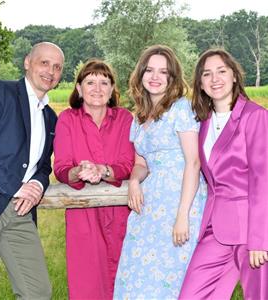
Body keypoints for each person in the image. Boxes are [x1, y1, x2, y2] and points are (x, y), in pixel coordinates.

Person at [0, 42, 64, 299]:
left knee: (38, 291)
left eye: (57, 67)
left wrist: (38, 186)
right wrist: (16, 186)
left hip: (21, 212)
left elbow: (44, 166)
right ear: (27, 62)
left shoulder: (50, 118)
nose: (50, 71)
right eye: (44, 63)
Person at [113, 44, 206, 299]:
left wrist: (182, 216)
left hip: (180, 201)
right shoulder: (140, 117)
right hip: (150, 203)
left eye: (163, 72)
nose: (155, 77)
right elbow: (142, 163)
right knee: (136, 272)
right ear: (140, 74)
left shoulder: (180, 109)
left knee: (169, 277)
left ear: (172, 77)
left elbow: (194, 163)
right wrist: (133, 180)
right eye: (149, 70)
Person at [179, 49, 268, 299]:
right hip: (215, 229)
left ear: (235, 76)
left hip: (252, 231)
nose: (214, 78)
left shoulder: (255, 116)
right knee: (191, 295)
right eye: (207, 74)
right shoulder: (204, 122)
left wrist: (261, 240)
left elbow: (263, 181)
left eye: (221, 71)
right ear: (200, 83)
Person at [53, 58, 135, 300]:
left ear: (112, 89)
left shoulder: (124, 119)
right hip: (83, 215)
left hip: (122, 213)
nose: (97, 88)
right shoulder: (68, 119)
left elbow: (126, 164)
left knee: (125, 282)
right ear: (79, 89)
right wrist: (80, 172)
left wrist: (103, 170)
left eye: (104, 82)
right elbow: (61, 167)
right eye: (90, 82)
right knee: (87, 286)